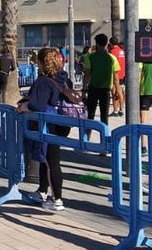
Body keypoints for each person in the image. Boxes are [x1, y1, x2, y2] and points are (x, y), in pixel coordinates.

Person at [19, 48, 81, 211]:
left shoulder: (43, 81)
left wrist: (24, 106)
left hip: (48, 125)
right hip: (62, 124)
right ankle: (42, 191)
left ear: (40, 63)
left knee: (51, 162)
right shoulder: (64, 79)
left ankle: (57, 199)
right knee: (48, 160)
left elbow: (36, 105)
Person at [82, 34, 119, 128]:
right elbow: (116, 77)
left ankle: (87, 138)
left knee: (90, 115)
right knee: (104, 116)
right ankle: (105, 139)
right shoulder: (112, 58)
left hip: (93, 88)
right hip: (106, 90)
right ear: (107, 43)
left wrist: (84, 89)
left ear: (96, 43)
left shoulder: (90, 57)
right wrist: (118, 91)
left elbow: (87, 75)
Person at [109, 38, 126, 117]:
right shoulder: (122, 51)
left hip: (115, 74)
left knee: (114, 93)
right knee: (121, 92)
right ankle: (121, 109)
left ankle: (115, 110)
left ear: (111, 44)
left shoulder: (113, 52)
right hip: (122, 74)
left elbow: (111, 64)